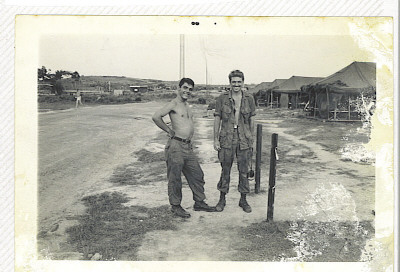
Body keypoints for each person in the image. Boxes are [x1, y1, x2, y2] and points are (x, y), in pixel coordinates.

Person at [152, 78, 215, 218]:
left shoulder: (186, 105)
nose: (187, 91)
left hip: (187, 147)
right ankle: (175, 206)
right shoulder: (173, 104)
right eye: (185, 88)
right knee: (175, 178)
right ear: (179, 88)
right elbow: (156, 117)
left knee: (197, 174)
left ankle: (199, 202)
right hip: (176, 146)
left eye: (190, 89)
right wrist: (168, 131)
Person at [213, 70, 256, 213]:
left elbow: (251, 119)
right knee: (225, 170)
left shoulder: (249, 98)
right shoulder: (222, 99)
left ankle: (243, 200)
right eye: (234, 82)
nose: (236, 84)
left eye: (239, 82)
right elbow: (217, 118)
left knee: (243, 170)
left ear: (243, 82)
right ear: (230, 83)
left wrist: (251, 138)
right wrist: (215, 139)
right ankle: (222, 199)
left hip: (244, 138)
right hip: (226, 138)